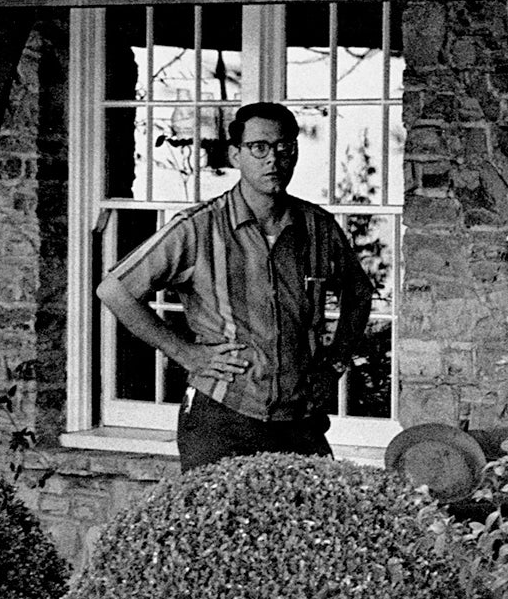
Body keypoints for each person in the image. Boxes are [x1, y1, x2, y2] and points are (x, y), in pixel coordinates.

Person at [96, 101, 378, 470]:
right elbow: (114, 290)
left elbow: (358, 292)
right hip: (222, 419)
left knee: (311, 524)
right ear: (235, 155)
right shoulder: (198, 228)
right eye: (258, 148)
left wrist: (336, 361)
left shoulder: (317, 227)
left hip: (299, 420)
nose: (272, 159)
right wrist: (185, 353)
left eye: (284, 147)